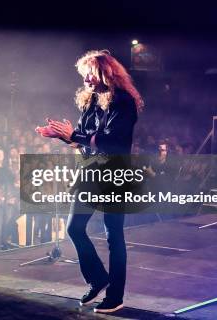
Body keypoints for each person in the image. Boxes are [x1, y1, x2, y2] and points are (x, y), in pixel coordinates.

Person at [36, 50, 143, 313]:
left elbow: (111, 141)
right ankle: (98, 278)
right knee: (74, 228)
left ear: (105, 73)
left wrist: (75, 135)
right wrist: (61, 135)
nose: (85, 78)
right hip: (91, 172)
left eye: (89, 73)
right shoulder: (90, 101)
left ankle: (115, 296)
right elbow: (83, 141)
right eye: (83, 74)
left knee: (113, 235)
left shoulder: (123, 102)